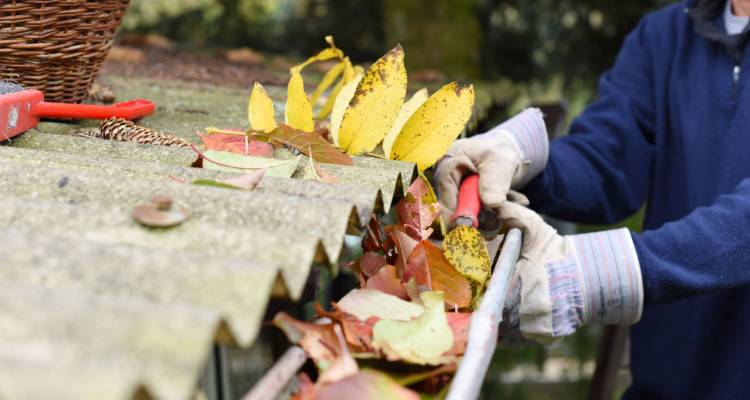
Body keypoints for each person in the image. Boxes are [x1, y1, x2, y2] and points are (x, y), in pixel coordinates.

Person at [436, 0, 750, 398]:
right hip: (664, 387)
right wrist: (527, 159)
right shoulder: (666, 35)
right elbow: (609, 159)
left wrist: (592, 275)